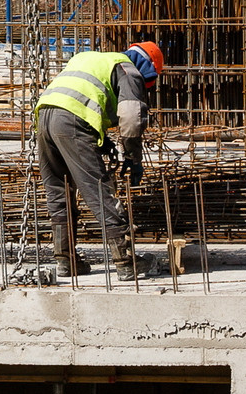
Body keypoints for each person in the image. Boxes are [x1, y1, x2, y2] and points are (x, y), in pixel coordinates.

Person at [30, 40, 164, 274]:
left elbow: (81, 98)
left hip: (44, 117)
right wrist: (134, 158)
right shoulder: (128, 68)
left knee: (58, 191)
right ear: (147, 67)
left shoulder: (91, 59)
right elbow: (132, 120)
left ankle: (65, 260)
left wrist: (100, 138)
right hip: (71, 121)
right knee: (98, 189)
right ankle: (125, 261)